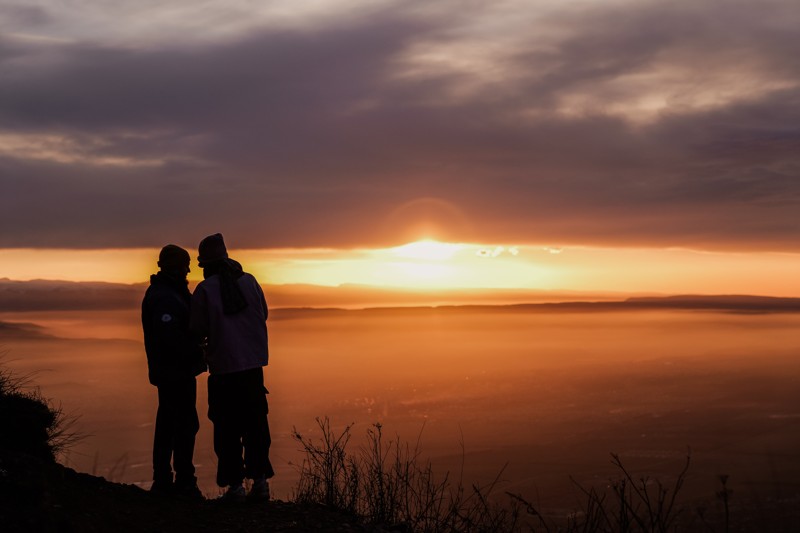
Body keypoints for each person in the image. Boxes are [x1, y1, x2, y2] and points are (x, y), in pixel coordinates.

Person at [190, 233, 274, 502]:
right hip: (252, 367)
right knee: (256, 425)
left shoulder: (205, 290)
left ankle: (235, 487)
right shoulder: (249, 282)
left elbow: (197, 328)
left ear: (206, 265)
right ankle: (260, 482)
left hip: (224, 369)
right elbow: (264, 313)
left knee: (227, 428)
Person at [141, 244, 206, 498]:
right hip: (175, 371)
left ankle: (169, 479)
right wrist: (196, 350)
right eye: (185, 264)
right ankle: (179, 482)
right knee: (181, 424)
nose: (189, 269)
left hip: (173, 370)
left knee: (173, 423)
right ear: (174, 266)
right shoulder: (165, 296)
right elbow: (170, 337)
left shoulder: (168, 292)